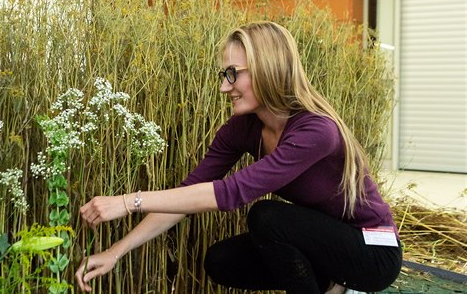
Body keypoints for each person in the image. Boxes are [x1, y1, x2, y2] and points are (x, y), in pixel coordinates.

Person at [75, 21, 402, 294]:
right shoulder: (241, 129)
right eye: (223, 75)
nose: (223, 86)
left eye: (233, 73)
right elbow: (189, 193)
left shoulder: (316, 130)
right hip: (321, 246)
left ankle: (339, 285)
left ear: (267, 69)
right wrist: (115, 252)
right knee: (221, 261)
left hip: (372, 251)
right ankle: (332, 284)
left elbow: (230, 194)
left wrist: (128, 201)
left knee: (267, 217)